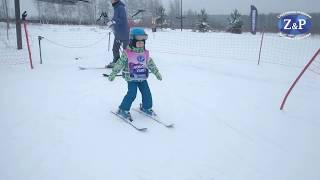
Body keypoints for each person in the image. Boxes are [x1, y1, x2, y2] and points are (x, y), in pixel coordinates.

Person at [108, 27, 162, 119]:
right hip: (131, 78)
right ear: (132, 41)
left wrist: (157, 73)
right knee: (132, 93)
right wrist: (113, 73)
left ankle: (146, 107)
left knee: (147, 93)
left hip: (142, 77)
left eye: (142, 42)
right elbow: (119, 63)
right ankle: (123, 109)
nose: (141, 43)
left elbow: (151, 64)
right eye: (138, 41)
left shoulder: (145, 53)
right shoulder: (127, 53)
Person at [106, 0, 129, 68]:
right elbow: (115, 19)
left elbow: (122, 19)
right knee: (115, 49)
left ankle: (127, 63)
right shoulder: (116, 8)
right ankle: (117, 61)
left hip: (124, 32)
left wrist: (113, 22)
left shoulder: (120, 7)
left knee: (126, 50)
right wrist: (110, 23)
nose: (110, 1)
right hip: (118, 33)